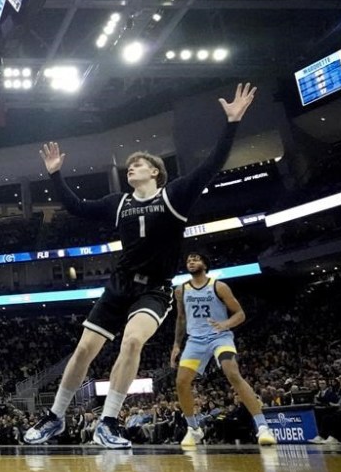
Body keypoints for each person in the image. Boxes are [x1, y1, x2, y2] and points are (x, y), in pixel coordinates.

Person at [24, 83, 257, 449]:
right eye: (130, 165)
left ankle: (109, 422)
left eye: (139, 164)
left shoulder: (175, 195)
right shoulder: (119, 202)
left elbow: (211, 165)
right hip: (119, 284)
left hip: (154, 287)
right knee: (84, 349)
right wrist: (55, 175)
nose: (132, 167)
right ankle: (55, 416)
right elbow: (77, 208)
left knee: (132, 342)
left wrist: (232, 123)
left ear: (155, 173)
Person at [171, 252, 276, 447]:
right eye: (188, 260)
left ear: (205, 263)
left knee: (232, 373)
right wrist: (177, 344)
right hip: (195, 340)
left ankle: (263, 427)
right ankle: (194, 429)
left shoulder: (219, 286)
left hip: (220, 337)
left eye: (195, 259)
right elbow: (181, 319)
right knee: (181, 382)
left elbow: (240, 314)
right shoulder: (181, 290)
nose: (191, 262)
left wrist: (225, 324)